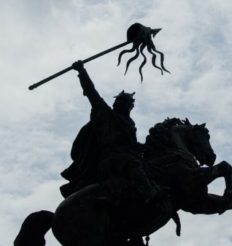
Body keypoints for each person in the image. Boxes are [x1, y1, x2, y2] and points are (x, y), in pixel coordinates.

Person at [59, 60, 162, 206]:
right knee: (134, 165)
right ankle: (149, 195)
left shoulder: (130, 124)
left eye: (126, 103)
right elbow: (92, 93)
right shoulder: (106, 114)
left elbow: (132, 146)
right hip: (111, 159)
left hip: (125, 156)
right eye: (120, 102)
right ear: (116, 104)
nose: (122, 105)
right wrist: (82, 73)